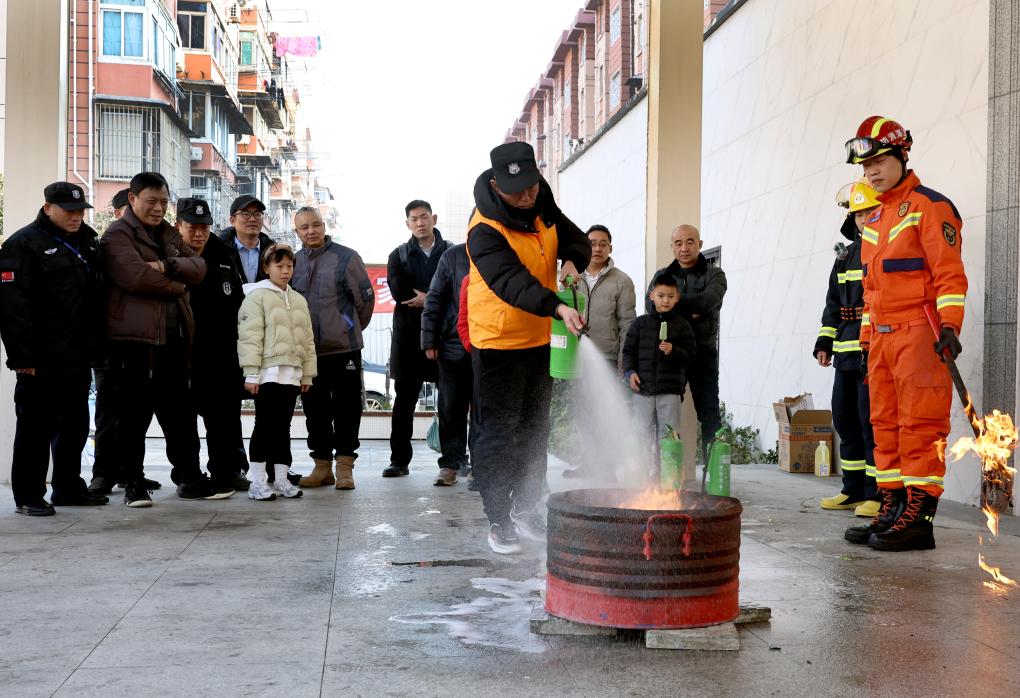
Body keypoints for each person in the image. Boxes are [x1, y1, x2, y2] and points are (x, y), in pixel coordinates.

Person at [842, 116, 967, 552]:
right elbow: (871, 289)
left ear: (901, 155)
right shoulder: (875, 217)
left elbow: (950, 276)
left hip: (919, 333)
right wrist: (865, 342)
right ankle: (891, 507)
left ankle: (919, 518)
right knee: (884, 425)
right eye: (865, 166)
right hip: (881, 339)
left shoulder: (931, 207)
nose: (872, 172)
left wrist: (950, 327)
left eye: (879, 161)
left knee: (919, 425)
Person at [466, 141, 590, 554]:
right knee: (499, 434)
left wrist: (572, 260)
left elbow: (574, 238)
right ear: (496, 185)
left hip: (539, 339)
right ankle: (499, 518)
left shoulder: (541, 200)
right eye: (517, 191)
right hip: (498, 343)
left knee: (535, 429)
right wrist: (557, 306)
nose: (526, 197)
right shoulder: (484, 229)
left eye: (532, 187)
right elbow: (511, 283)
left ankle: (526, 506)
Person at [101, 171, 231, 507]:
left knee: (180, 414)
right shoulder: (117, 235)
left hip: (174, 339)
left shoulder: (168, 234)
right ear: (133, 199)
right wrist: (178, 284)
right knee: (133, 415)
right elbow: (136, 278)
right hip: (134, 341)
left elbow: (199, 267)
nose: (158, 208)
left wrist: (165, 265)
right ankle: (133, 484)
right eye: (151, 201)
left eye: (163, 202)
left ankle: (190, 479)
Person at [0, 182, 108, 515]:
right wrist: (22, 356)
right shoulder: (22, 244)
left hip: (77, 354)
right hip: (41, 358)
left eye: (80, 211)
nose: (76, 217)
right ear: (48, 208)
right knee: (35, 428)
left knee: (75, 424)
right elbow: (12, 307)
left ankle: (68, 487)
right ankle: (28, 495)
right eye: (69, 211)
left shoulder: (86, 241)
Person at [291, 206, 374, 490]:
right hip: (309, 352)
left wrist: (346, 328)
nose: (311, 231)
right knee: (315, 411)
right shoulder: (293, 261)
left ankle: (345, 468)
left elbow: (365, 301)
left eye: (316, 224)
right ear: (297, 232)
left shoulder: (347, 257)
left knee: (347, 409)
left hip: (344, 350)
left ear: (324, 226)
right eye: (304, 227)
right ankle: (322, 467)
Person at [814, 181, 880, 518]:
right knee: (844, 418)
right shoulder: (845, 256)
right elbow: (833, 304)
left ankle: (876, 493)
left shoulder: (884, 250)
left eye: (869, 212)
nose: (863, 219)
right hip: (845, 353)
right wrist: (825, 341)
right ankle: (852, 490)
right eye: (858, 214)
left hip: (874, 354)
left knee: (871, 424)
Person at [176, 197, 250, 493]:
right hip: (182, 355)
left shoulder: (223, 254)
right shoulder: (169, 255)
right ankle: (188, 476)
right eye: (192, 227)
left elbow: (238, 304)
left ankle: (225, 472)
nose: (199, 233)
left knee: (223, 421)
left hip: (222, 356)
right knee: (183, 422)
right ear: (179, 226)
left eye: (204, 227)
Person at [90, 185, 160, 495]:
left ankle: (131, 473)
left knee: (137, 412)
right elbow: (138, 279)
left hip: (138, 340)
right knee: (109, 411)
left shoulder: (150, 241)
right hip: (109, 340)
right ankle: (103, 474)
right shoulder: (111, 243)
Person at [238, 244, 317, 501]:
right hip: (267, 373)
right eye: (279, 265)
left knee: (283, 427)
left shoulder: (298, 300)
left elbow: (307, 341)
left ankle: (281, 479)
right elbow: (250, 337)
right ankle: (257, 482)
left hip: (291, 373)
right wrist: (251, 372)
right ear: (266, 267)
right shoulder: (256, 296)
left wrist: (307, 374)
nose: (285, 271)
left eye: (289, 266)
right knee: (264, 425)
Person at [383, 200, 451, 478]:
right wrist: (436, 297)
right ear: (407, 224)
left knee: (450, 402)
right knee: (403, 403)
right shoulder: (398, 255)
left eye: (424, 217)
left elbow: (458, 289)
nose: (420, 223)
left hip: (445, 336)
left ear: (434, 218)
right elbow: (400, 292)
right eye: (414, 219)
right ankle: (399, 461)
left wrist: (428, 298)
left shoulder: (452, 253)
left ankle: (452, 461)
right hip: (408, 339)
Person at [648, 224, 727, 462]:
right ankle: (664, 473)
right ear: (672, 247)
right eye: (678, 243)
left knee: (710, 414)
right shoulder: (663, 275)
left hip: (704, 355)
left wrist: (672, 304)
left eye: (690, 242)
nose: (684, 248)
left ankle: (713, 474)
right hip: (671, 355)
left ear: (699, 244)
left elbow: (708, 301)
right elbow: (651, 306)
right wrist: (692, 309)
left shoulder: (715, 274)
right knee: (665, 415)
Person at [564, 224, 637, 479]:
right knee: (582, 413)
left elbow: (628, 322)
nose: (597, 248)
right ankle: (589, 463)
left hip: (606, 356)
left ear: (610, 248)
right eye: (592, 243)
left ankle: (608, 467)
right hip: (575, 357)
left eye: (602, 243)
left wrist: (623, 359)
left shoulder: (622, 281)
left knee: (605, 413)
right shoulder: (572, 277)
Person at [623, 273, 697, 476]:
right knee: (640, 434)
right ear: (651, 296)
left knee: (669, 434)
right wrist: (630, 373)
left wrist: (674, 350)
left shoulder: (682, 326)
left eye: (670, 296)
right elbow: (628, 352)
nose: (666, 300)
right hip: (642, 390)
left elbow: (691, 356)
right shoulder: (639, 324)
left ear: (677, 297)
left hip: (670, 391)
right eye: (661, 295)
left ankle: (667, 477)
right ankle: (641, 476)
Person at [421, 242, 473, 486]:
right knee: (450, 408)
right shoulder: (452, 256)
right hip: (453, 345)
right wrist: (429, 340)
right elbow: (434, 299)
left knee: (485, 412)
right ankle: (451, 464)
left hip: (491, 347)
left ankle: (481, 467)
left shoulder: (502, 252)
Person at [221, 194, 274, 284]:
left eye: (257, 214)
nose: (252, 219)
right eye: (246, 214)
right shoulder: (221, 251)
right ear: (232, 220)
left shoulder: (272, 252)